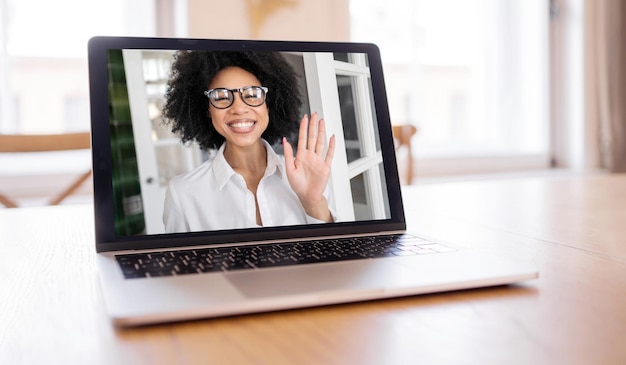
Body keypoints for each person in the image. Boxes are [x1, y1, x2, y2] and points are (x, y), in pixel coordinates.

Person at [161, 51, 336, 232]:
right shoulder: (183, 193)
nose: (239, 108)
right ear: (207, 109)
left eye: (252, 94)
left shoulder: (307, 176)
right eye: (221, 97)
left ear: (268, 104)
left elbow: (339, 256)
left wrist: (314, 203)